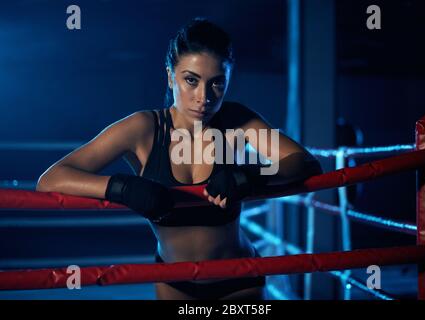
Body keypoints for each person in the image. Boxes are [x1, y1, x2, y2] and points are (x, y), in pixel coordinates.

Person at [36, 18, 322, 300]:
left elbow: (304, 162)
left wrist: (250, 176)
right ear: (170, 75)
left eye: (217, 84)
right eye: (190, 80)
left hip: (238, 280)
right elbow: (50, 179)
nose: (204, 97)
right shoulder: (143, 129)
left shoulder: (236, 120)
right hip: (174, 284)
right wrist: (123, 188)